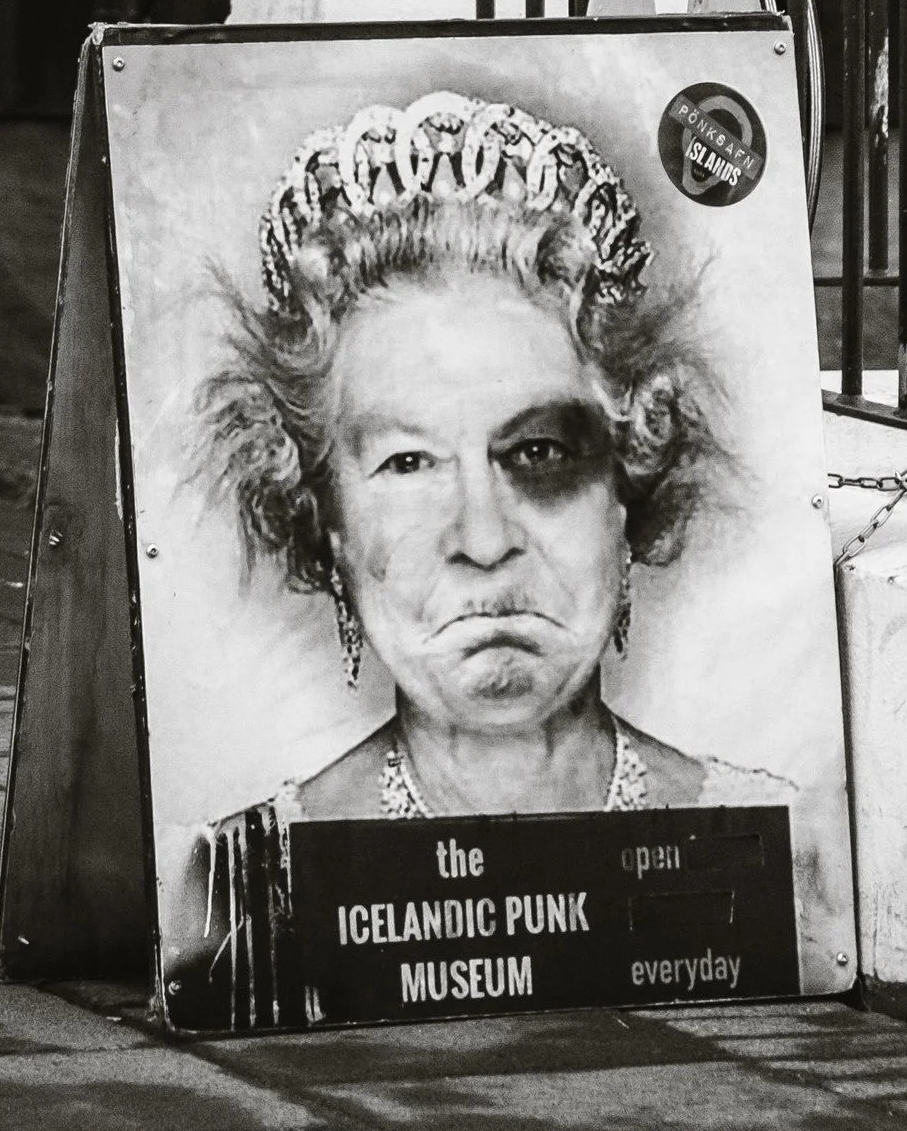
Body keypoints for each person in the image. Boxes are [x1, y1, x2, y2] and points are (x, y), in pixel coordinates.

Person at [163, 88, 791, 1030]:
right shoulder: (237, 894)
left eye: (538, 453)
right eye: (408, 464)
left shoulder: (775, 855)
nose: (484, 539)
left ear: (627, 485)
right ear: (325, 520)